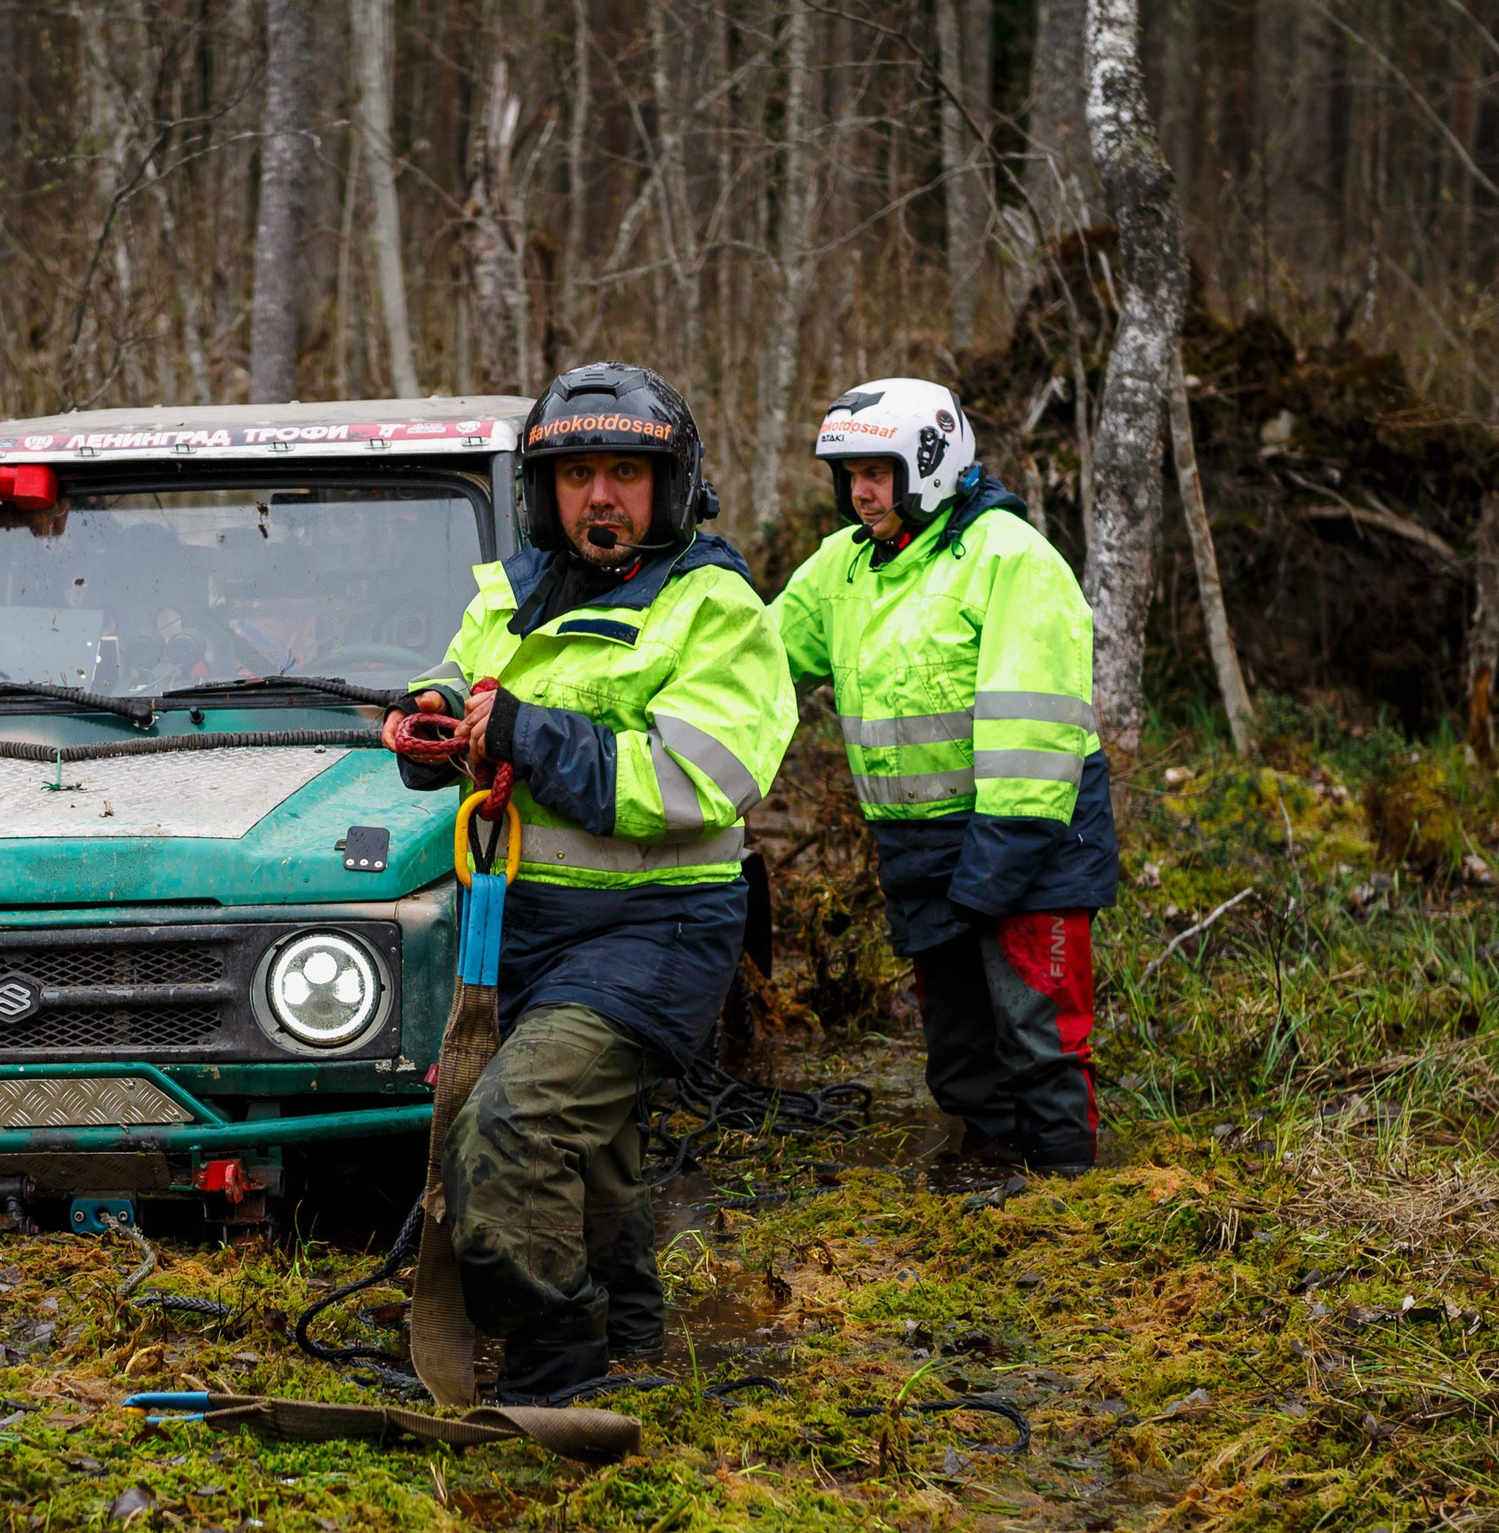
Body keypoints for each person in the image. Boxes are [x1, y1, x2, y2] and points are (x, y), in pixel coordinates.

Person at [383, 362, 798, 1404]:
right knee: (595, 1149)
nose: (600, 496)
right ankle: (632, 1335)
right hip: (522, 921)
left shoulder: (718, 607)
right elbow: (465, 676)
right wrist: (430, 721)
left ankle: (551, 1368)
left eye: (625, 471)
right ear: (542, 490)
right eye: (576, 475)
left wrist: (527, 733)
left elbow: (698, 776)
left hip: (655, 928)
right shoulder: (513, 591)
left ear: (672, 484)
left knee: (513, 1132)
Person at [776, 378, 1118, 1175]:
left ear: (928, 462)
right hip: (921, 845)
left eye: (877, 470)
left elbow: (1033, 743)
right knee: (959, 1052)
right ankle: (993, 1173)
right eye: (849, 473)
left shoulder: (1011, 559)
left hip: (1031, 836)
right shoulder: (844, 569)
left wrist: (996, 865)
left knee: (1037, 1033)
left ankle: (1065, 1194)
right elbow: (757, 661)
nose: (861, 492)